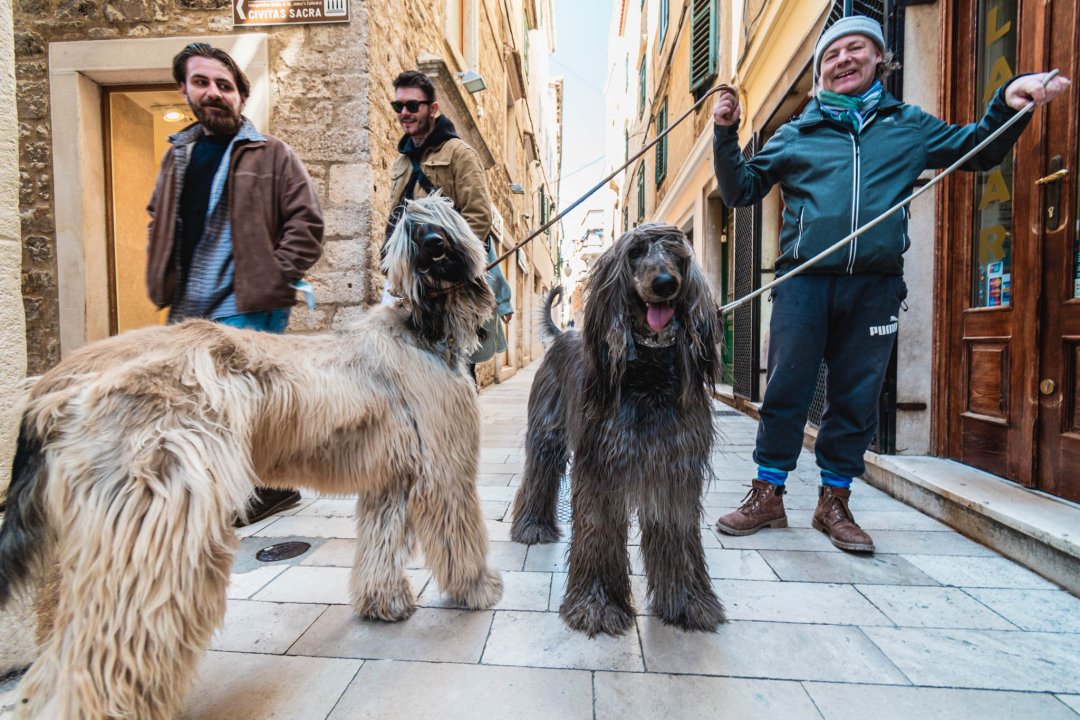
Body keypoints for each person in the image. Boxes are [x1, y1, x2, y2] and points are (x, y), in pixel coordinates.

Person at [711, 16, 1070, 552]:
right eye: (831, 56)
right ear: (820, 73)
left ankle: (834, 501)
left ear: (880, 58)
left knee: (856, 397)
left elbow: (979, 149)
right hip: (804, 283)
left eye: (855, 48)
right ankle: (768, 493)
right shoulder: (796, 132)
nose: (843, 60)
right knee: (786, 389)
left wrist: (1007, 103)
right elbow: (740, 190)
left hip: (874, 287)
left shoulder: (908, 126)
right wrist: (724, 132)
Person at [146, 42, 325, 525]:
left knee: (243, 409)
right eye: (202, 82)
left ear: (241, 97)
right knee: (198, 406)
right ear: (183, 89)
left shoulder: (272, 155)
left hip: (245, 304)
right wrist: (157, 267)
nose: (213, 93)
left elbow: (307, 225)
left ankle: (261, 492)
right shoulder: (176, 157)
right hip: (187, 305)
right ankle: (228, 492)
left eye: (224, 86)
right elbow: (157, 218)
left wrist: (275, 273)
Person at [383, 70, 513, 381]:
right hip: (411, 285)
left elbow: (478, 218)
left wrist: (447, 267)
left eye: (412, 106)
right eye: (398, 106)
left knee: (455, 373)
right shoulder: (401, 163)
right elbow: (396, 220)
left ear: (433, 108)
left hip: (448, 287)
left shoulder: (459, 153)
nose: (404, 113)